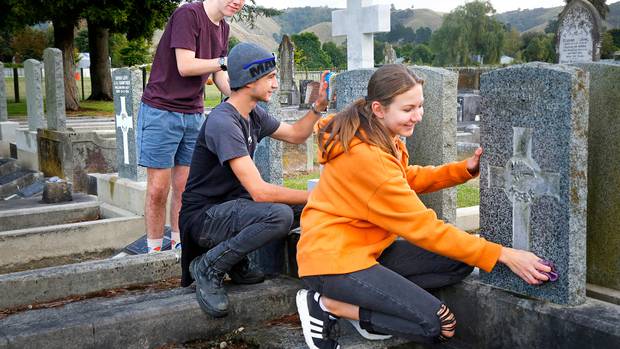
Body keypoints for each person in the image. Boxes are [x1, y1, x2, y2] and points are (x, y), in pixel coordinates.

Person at [294, 64, 552, 348]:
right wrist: (503, 254)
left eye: (420, 106)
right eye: (408, 109)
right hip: (333, 263)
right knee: (437, 325)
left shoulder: (378, 135)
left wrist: (462, 169)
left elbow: (403, 178)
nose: (417, 116)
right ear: (379, 109)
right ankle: (331, 305)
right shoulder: (367, 157)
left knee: (461, 261)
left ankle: (364, 301)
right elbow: (424, 227)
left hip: (367, 251)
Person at [178, 42, 329, 318]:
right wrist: (321, 194)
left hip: (231, 207)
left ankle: (235, 261)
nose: (275, 83)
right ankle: (209, 266)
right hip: (204, 218)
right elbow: (260, 192)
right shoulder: (224, 122)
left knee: (307, 209)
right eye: (270, 76)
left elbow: (296, 134)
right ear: (250, 80)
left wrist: (318, 107)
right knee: (280, 215)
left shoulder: (253, 114)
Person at [137, 0, 245, 253]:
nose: (238, 2)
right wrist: (224, 62)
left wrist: (240, 96)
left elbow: (219, 73)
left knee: (186, 188)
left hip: (193, 114)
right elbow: (186, 66)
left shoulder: (223, 28)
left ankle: (179, 244)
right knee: (158, 189)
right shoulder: (188, 14)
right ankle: (153, 251)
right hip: (161, 110)